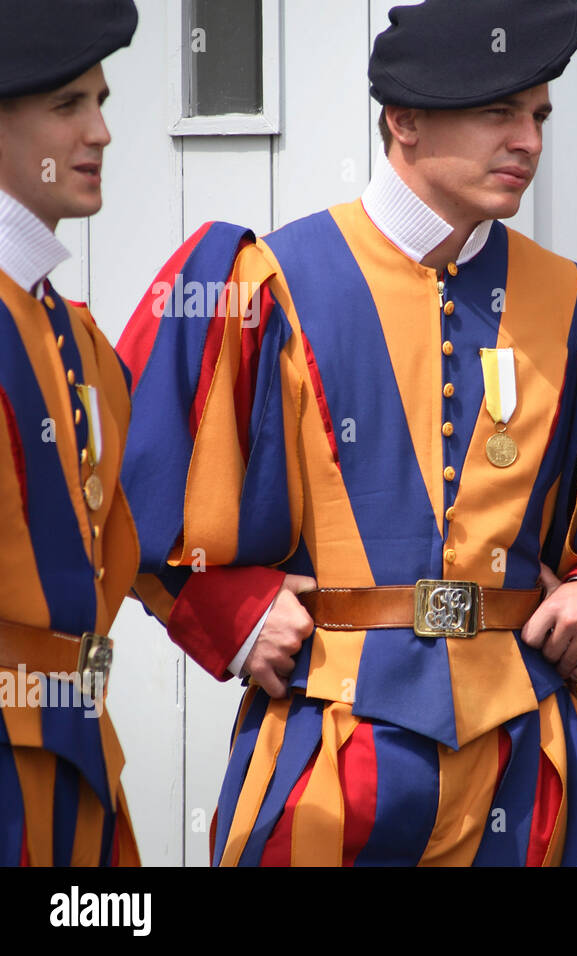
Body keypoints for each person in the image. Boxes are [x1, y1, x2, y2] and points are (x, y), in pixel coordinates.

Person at [117, 0, 577, 866]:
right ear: (406, 122)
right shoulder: (261, 283)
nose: (529, 141)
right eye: (499, 112)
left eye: (537, 115)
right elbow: (119, 482)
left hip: (526, 761)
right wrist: (223, 607)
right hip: (327, 757)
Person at [0, 0, 141, 867]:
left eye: (101, 100)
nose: (100, 132)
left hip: (77, 750)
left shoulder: (78, 334)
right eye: (67, 106)